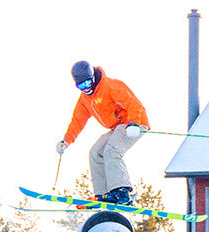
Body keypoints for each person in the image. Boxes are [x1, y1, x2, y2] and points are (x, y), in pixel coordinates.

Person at [56, 61, 150, 205]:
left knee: (112, 150)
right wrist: (66, 140)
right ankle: (104, 195)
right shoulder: (85, 100)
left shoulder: (110, 86)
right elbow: (77, 121)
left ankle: (121, 191)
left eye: (88, 83)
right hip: (118, 128)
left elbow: (133, 104)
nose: (86, 88)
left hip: (134, 123)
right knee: (95, 152)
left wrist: (134, 123)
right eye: (81, 86)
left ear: (93, 77)